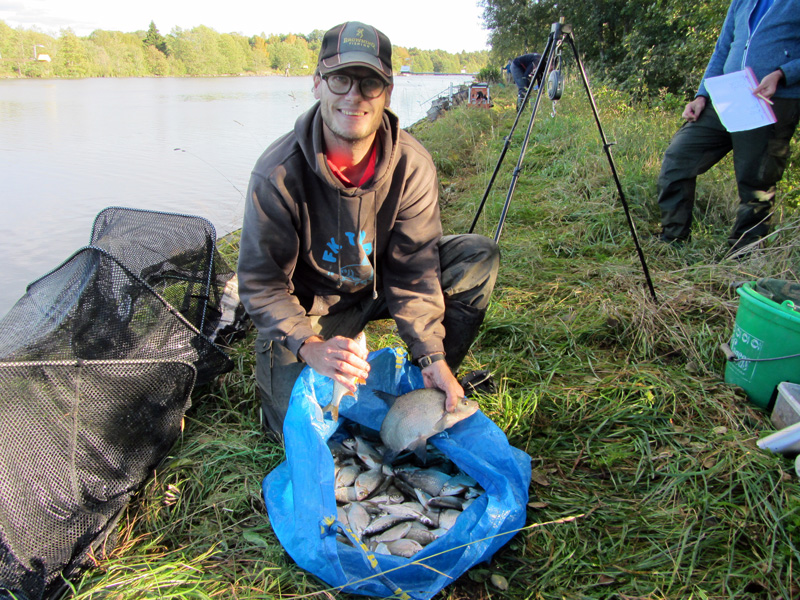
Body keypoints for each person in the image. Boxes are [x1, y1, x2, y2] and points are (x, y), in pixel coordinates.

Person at [237, 21, 500, 435]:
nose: (353, 97)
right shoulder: (277, 174)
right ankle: (310, 370)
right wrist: (308, 345)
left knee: (475, 257)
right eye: (340, 79)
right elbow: (261, 284)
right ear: (317, 84)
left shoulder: (412, 165)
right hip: (311, 307)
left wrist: (432, 354)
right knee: (290, 426)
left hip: (378, 288)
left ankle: (427, 384)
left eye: (370, 83)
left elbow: (414, 272)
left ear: (388, 92)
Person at [657, 0, 799, 253]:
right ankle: (673, 239)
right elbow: (722, 48)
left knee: (756, 181)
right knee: (679, 156)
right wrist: (702, 95)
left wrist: (782, 73)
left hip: (772, 100)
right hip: (728, 95)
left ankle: (744, 254)